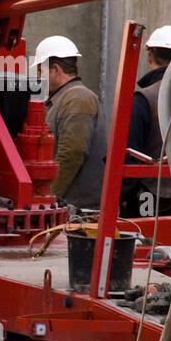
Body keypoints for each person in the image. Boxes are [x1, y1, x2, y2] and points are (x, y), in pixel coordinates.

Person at [34, 35, 108, 214]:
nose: (39, 77)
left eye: (40, 71)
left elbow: (72, 153)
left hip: (79, 208)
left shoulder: (77, 98)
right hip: (69, 205)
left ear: (55, 69)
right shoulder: (62, 99)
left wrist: (48, 197)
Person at [123, 25, 171, 217]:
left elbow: (129, 154)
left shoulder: (144, 98)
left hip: (150, 197)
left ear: (150, 57)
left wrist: (123, 197)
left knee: (144, 245)